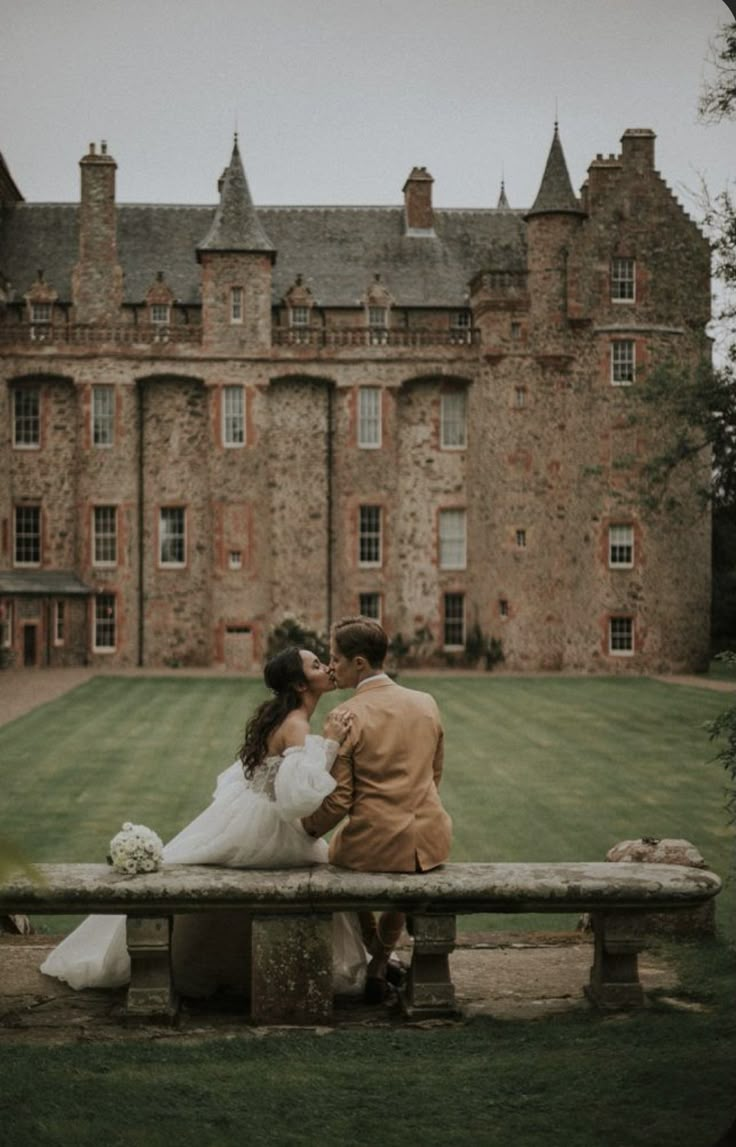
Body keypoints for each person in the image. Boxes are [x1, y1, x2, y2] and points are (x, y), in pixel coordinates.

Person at [40, 648, 366, 998]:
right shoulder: (297, 723)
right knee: (320, 865)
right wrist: (331, 742)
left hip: (249, 812)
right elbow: (298, 797)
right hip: (267, 825)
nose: (327, 667)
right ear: (301, 684)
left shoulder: (287, 716)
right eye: (316, 665)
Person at [302, 616, 452, 1002]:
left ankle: (376, 952)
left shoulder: (347, 716)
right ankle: (380, 961)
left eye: (335, 658)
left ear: (359, 664)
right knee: (407, 875)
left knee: (332, 859)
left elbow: (339, 801)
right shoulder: (426, 703)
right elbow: (434, 775)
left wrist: (305, 829)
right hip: (430, 839)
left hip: (372, 840)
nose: (330, 666)